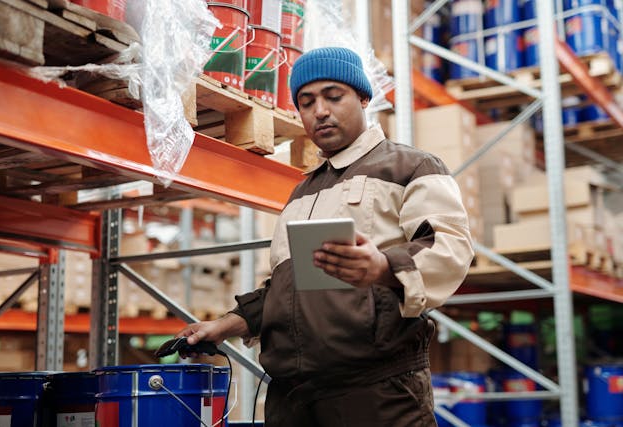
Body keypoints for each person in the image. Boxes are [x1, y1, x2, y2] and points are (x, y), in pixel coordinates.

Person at [176, 46, 474, 426]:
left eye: (334, 96)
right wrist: (226, 325)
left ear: (363, 97)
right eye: (306, 102)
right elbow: (287, 287)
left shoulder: (410, 167)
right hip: (294, 399)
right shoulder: (302, 194)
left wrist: (383, 266)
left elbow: (450, 247)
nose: (320, 111)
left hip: (376, 394)